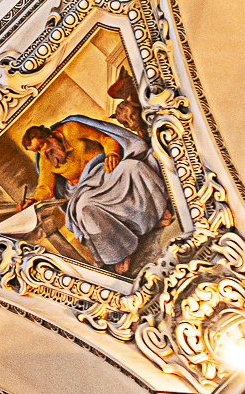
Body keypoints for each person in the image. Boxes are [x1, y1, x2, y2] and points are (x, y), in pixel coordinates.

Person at [17, 116, 170, 275]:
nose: (43, 152)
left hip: (105, 170)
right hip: (83, 190)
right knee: (86, 209)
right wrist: (32, 201)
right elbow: (45, 188)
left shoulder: (71, 129)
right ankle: (121, 253)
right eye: (37, 150)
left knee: (133, 167)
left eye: (42, 145)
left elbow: (105, 139)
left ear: (49, 135)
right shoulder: (46, 160)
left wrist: (112, 154)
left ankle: (154, 217)